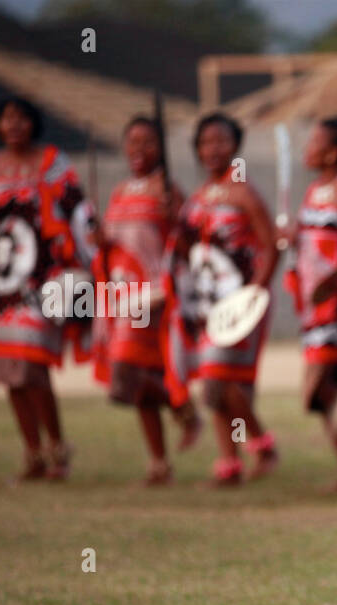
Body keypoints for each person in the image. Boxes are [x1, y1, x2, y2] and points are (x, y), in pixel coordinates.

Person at [0, 97, 95, 480]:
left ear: (33, 123)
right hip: (1, 283)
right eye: (7, 118)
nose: (14, 125)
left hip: (44, 279)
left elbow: (79, 210)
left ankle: (58, 450)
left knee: (33, 366)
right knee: (10, 371)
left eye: (21, 118)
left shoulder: (52, 162)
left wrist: (91, 253)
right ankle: (32, 454)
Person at [170, 112, 280, 486]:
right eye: (205, 142)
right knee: (220, 387)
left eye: (221, 141)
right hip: (207, 304)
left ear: (236, 146)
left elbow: (271, 247)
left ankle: (262, 443)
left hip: (241, 302)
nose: (213, 149)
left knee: (218, 379)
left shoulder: (244, 194)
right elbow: (188, 253)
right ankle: (230, 462)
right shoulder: (195, 200)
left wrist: (255, 294)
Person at [94, 116, 197, 486]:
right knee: (140, 381)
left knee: (127, 369)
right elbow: (115, 242)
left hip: (156, 297)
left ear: (163, 149)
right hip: (125, 296)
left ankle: (181, 406)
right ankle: (161, 458)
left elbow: (188, 247)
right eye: (133, 142)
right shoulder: (120, 190)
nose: (139, 150)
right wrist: (101, 242)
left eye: (149, 143)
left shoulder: (169, 190)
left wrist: (176, 222)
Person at [283, 117, 337, 492]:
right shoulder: (313, 191)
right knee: (334, 387)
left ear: (334, 153)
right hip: (313, 304)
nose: (307, 146)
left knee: (317, 390)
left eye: (315, 140)